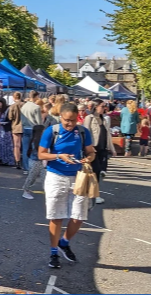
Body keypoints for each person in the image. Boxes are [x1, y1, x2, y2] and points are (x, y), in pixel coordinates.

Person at [37, 103, 96, 268]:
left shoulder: (83, 132)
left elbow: (91, 151)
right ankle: (53, 252)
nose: (69, 124)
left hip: (78, 177)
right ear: (60, 117)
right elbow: (41, 153)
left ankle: (64, 242)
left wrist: (88, 159)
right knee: (56, 216)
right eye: (66, 120)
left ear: (78, 117)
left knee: (79, 216)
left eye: (72, 120)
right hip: (56, 176)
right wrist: (59, 156)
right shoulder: (52, 131)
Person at [83, 99, 115, 204]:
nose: (104, 108)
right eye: (102, 106)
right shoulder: (89, 118)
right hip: (93, 149)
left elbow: (108, 135)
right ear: (96, 106)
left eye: (105, 106)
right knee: (95, 171)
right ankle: (93, 195)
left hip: (103, 148)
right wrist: (89, 147)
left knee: (99, 172)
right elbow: (85, 133)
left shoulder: (105, 119)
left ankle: (93, 194)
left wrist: (112, 148)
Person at [20, 91, 43, 175]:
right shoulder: (36, 107)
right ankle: (34, 168)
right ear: (36, 96)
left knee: (25, 149)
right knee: (35, 149)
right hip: (34, 129)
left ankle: (26, 168)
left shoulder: (23, 106)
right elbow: (39, 122)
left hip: (25, 128)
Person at [7, 92, 25, 170]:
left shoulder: (13, 106)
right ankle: (25, 162)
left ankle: (17, 162)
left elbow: (10, 117)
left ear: (14, 98)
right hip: (25, 126)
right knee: (25, 145)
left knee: (16, 146)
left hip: (16, 127)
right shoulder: (25, 105)